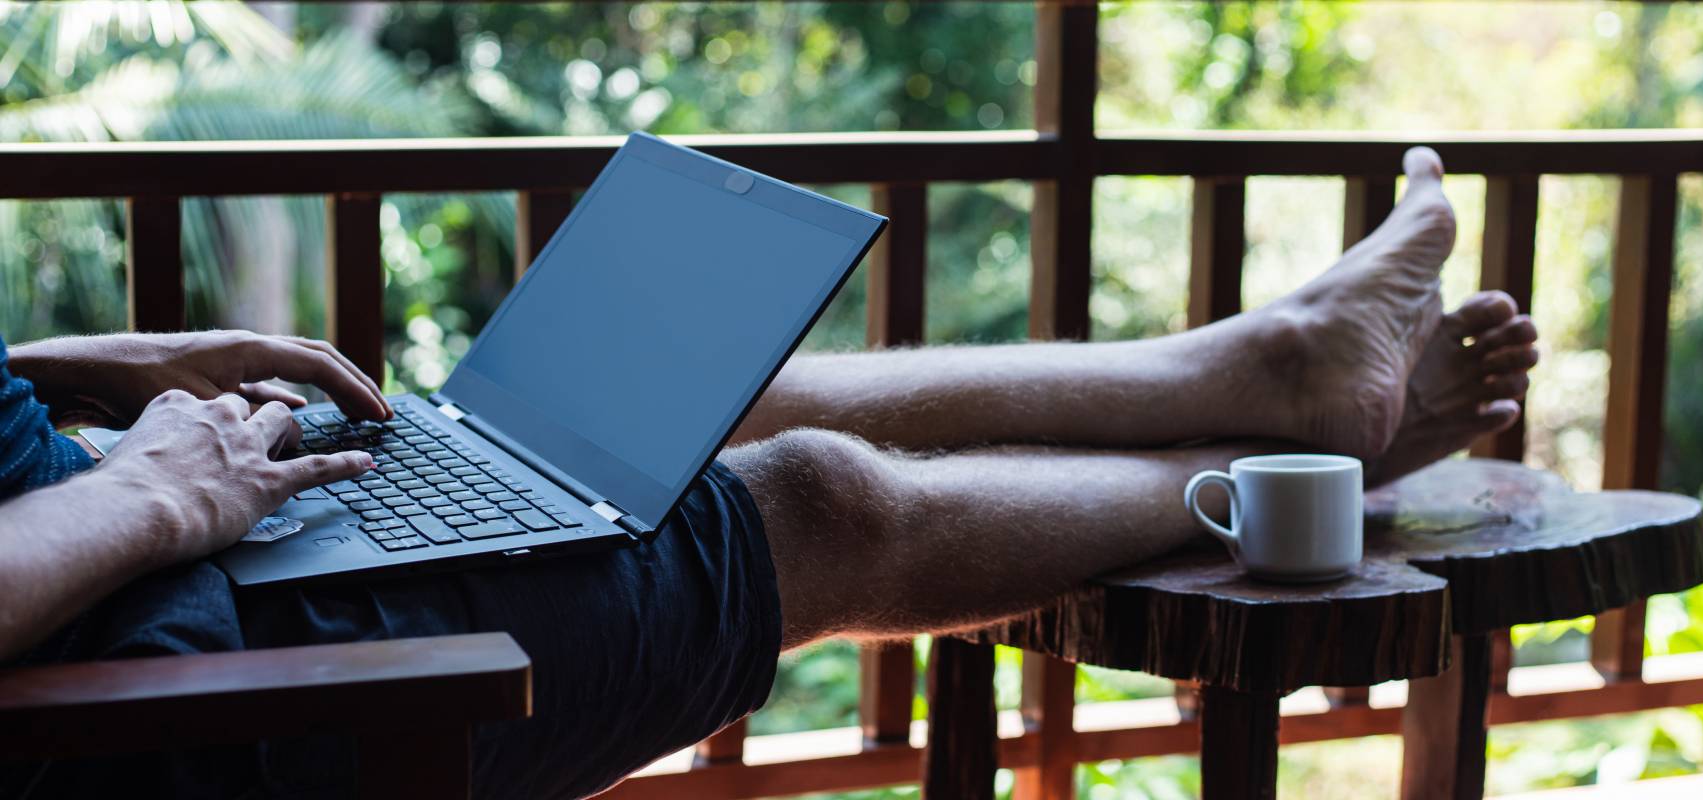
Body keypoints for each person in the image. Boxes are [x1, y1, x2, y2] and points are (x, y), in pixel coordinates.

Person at [0, 148, 1536, 798]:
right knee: (820, 499)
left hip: (134, 526)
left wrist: (88, 369)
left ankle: (1266, 370)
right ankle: (1302, 452)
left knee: (720, 402)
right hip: (144, 678)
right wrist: (147, 496)